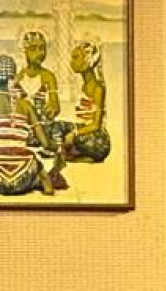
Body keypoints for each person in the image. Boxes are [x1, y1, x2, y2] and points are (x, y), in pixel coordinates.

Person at [0, 53, 65, 196]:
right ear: (13, 77)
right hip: (23, 177)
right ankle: (45, 184)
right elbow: (45, 144)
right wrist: (58, 148)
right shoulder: (25, 105)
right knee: (35, 161)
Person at [61, 40, 111, 162]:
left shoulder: (97, 89)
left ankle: (72, 152)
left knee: (66, 136)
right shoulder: (83, 86)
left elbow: (96, 125)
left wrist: (74, 133)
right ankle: (72, 151)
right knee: (56, 127)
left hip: (98, 139)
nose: (72, 62)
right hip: (84, 131)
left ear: (87, 60)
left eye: (76, 58)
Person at [12, 29, 62, 149]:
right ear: (25, 51)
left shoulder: (48, 76)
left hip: (43, 126)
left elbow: (56, 105)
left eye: (42, 48)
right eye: (33, 48)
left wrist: (52, 109)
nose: (39, 53)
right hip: (24, 128)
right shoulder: (18, 77)